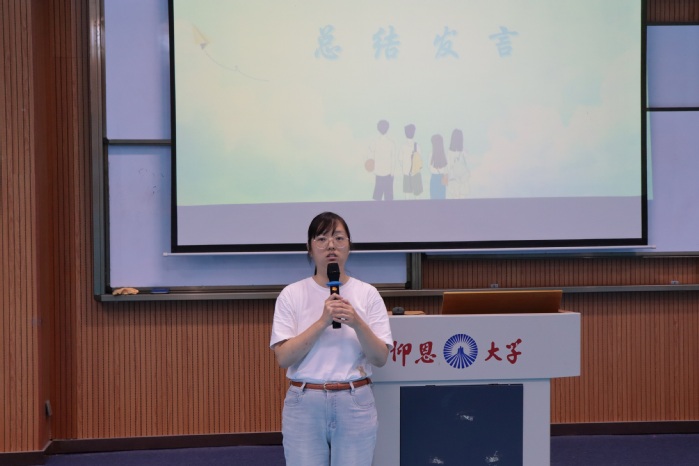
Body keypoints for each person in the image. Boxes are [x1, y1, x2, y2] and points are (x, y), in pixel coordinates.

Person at [270, 212, 394, 466]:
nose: (331, 246)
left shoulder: (368, 294)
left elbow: (380, 358)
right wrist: (322, 321)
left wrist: (357, 322)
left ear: (349, 245)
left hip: (354, 400)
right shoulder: (291, 294)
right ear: (309, 247)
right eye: (322, 239)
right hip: (305, 401)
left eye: (338, 238)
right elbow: (283, 358)